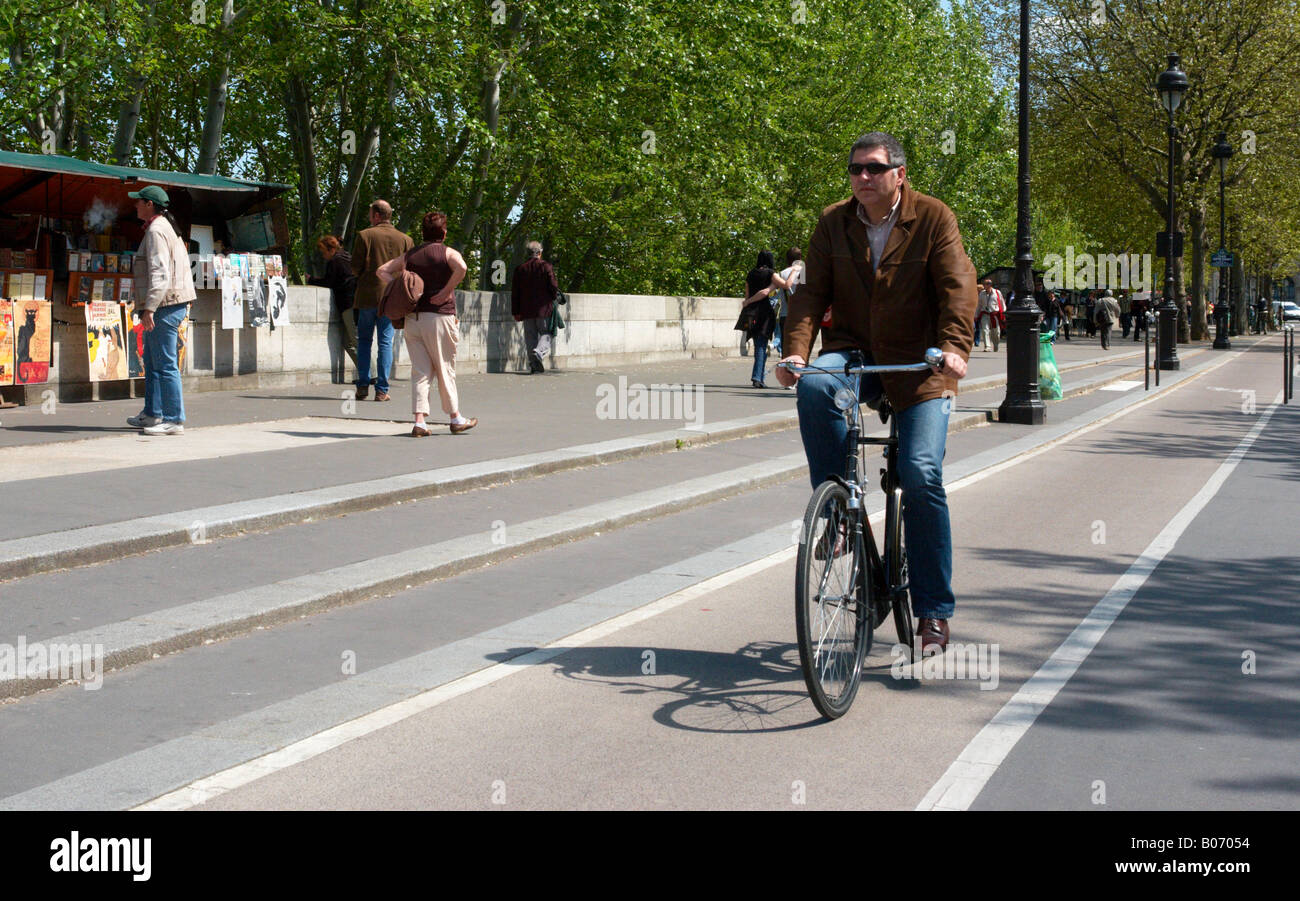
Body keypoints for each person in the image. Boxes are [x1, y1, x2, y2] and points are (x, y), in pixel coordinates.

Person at [776, 131, 975, 656]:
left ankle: (933, 611)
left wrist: (954, 348)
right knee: (816, 385)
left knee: (921, 473)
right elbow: (810, 291)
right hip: (857, 352)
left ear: (899, 175)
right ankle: (839, 511)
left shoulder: (933, 217)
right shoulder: (832, 221)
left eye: (874, 168)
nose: (862, 177)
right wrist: (796, 352)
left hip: (922, 363)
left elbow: (958, 287)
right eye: (855, 169)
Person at [376, 211, 475, 436]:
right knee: (444, 367)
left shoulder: (411, 256)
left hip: (414, 319)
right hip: (440, 317)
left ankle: (420, 421)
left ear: (423, 232)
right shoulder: (447, 253)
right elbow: (462, 267)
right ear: (444, 232)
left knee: (420, 371)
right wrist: (445, 291)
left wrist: (401, 289)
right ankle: (455, 417)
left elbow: (381, 270)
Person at [125, 184, 196, 435]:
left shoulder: (156, 230)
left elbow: (160, 274)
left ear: (149, 205)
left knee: (164, 364)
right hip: (171, 302)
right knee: (154, 361)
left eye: (139, 201)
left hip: (165, 304)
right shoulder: (165, 226)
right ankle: (153, 414)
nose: (135, 205)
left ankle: (174, 419)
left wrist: (150, 309)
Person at [351, 199, 413, 401]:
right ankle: (382, 389)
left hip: (367, 295)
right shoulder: (405, 239)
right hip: (392, 299)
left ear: (376, 215)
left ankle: (362, 385)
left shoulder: (364, 235)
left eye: (370, 213)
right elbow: (408, 271)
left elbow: (355, 267)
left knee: (364, 342)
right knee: (386, 343)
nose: (369, 217)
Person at [307, 235, 358, 379]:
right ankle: (368, 373)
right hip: (355, 301)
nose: (323, 256)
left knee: (354, 341)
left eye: (324, 252)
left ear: (331, 249)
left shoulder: (335, 261)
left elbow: (329, 282)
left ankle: (371, 374)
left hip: (347, 303)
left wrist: (311, 280)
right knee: (349, 342)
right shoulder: (347, 256)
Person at [511, 241, 559, 373]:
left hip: (526, 309)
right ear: (540, 252)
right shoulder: (546, 266)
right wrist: (554, 298)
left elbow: (515, 293)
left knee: (530, 336)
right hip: (544, 308)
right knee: (546, 333)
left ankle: (534, 364)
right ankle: (539, 352)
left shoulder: (520, 269)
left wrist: (516, 311)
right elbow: (553, 286)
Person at [742, 250, 778, 388]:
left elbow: (746, 293)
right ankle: (757, 377)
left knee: (759, 345)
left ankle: (759, 377)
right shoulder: (770, 273)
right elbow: (784, 285)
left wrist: (748, 303)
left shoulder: (751, 273)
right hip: (764, 313)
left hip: (751, 312)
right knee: (761, 346)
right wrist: (773, 286)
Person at [772, 247, 804, 362]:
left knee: (786, 348)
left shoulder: (782, 273)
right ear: (799, 258)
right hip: (801, 315)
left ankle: (786, 369)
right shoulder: (803, 271)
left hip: (785, 314)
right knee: (801, 348)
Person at [976, 278, 1004, 351]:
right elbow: (979, 305)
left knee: (996, 332)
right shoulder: (982, 293)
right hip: (985, 314)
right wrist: (976, 315)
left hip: (994, 314)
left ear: (990, 285)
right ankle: (987, 346)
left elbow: (1002, 303)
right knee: (985, 330)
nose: (984, 285)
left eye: (985, 284)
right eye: (984, 284)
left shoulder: (997, 292)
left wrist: (1004, 313)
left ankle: (996, 344)